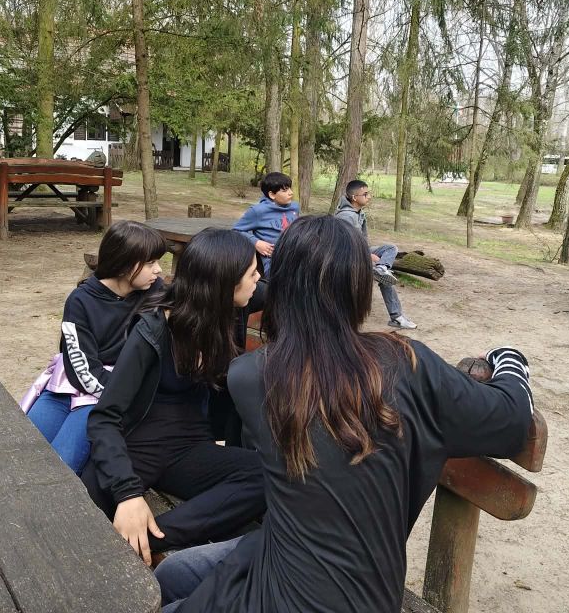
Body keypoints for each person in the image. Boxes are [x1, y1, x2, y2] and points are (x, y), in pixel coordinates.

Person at [154, 215, 534, 613]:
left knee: (169, 581)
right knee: (174, 573)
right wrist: (508, 357)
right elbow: (512, 421)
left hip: (284, 582)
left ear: (279, 286)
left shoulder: (250, 375)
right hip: (342, 583)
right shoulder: (404, 364)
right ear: (358, 289)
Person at [81, 229, 267, 565]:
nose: (258, 280)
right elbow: (105, 418)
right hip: (139, 447)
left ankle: (153, 538)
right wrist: (128, 493)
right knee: (81, 518)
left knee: (267, 474)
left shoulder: (230, 308)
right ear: (224, 282)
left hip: (190, 448)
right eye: (253, 273)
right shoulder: (153, 330)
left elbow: (289, 290)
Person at [21, 220, 166, 475]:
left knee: (61, 464)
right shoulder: (81, 300)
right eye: (150, 262)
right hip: (70, 383)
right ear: (125, 263)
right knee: (23, 447)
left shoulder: (154, 292)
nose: (159, 269)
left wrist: (121, 396)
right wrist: (119, 392)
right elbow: (80, 366)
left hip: (111, 391)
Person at [335, 178, 417, 329]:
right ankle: (397, 317)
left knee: (390, 250)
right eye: (365, 194)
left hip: (361, 252)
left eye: (369, 193)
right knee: (385, 278)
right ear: (354, 197)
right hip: (348, 257)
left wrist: (369, 254)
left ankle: (381, 268)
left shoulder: (358, 213)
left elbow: (363, 240)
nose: (369, 197)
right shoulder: (346, 216)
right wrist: (367, 256)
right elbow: (344, 245)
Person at [232, 171, 299, 274]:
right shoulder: (258, 211)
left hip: (295, 257)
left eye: (290, 188)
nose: (291, 193)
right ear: (272, 194)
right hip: (274, 264)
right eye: (285, 190)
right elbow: (236, 231)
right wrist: (256, 243)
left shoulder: (295, 207)